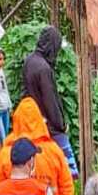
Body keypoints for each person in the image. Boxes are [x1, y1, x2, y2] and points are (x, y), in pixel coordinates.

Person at [0, 96, 74, 195]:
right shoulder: (54, 151)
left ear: (17, 121)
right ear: (39, 120)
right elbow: (66, 185)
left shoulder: (7, 153)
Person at [21, 26, 78, 179]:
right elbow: (50, 100)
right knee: (67, 171)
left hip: (33, 121)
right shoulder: (44, 69)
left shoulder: (29, 60)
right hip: (49, 126)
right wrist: (61, 125)